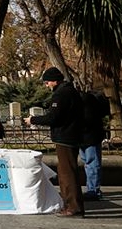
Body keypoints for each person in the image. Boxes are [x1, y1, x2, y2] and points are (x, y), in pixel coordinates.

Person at [24, 67, 85, 217]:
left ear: (54, 81)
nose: (46, 86)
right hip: (71, 135)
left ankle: (72, 206)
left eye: (47, 82)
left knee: (66, 173)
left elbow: (53, 117)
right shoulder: (70, 91)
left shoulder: (61, 94)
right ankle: (73, 205)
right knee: (69, 170)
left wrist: (33, 119)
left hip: (65, 137)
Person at [79, 91, 106, 201]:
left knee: (92, 163)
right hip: (89, 136)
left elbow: (88, 120)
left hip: (89, 137)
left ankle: (93, 190)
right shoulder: (88, 100)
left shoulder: (86, 101)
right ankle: (93, 189)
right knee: (90, 163)